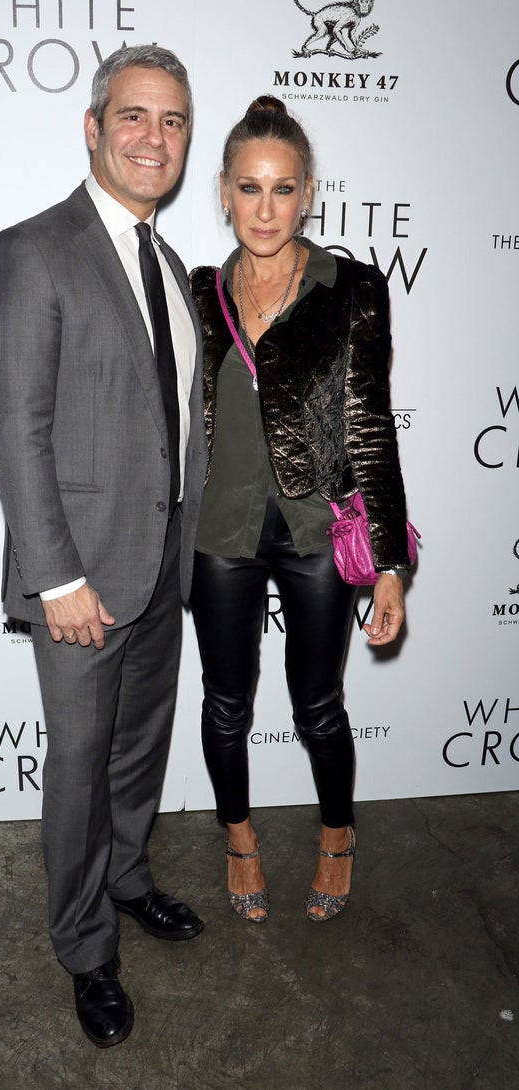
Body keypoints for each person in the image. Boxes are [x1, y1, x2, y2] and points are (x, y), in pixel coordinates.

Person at [0, 45, 207, 1048]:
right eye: (135, 117)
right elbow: (16, 429)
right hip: (82, 576)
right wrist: (56, 573)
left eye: (173, 122)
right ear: (93, 126)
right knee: (77, 765)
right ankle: (83, 948)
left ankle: (125, 879)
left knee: (136, 747)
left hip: (163, 566)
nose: (154, 138)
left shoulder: (165, 262)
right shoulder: (36, 249)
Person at [189, 96, 411, 927]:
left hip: (317, 530)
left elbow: (370, 425)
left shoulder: (350, 288)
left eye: (283, 190)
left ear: (308, 192)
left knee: (318, 704)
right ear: (223, 191)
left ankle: (336, 834)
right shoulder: (199, 293)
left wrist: (390, 561)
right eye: (249, 188)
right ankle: (238, 838)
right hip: (222, 530)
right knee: (225, 703)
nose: (266, 208)